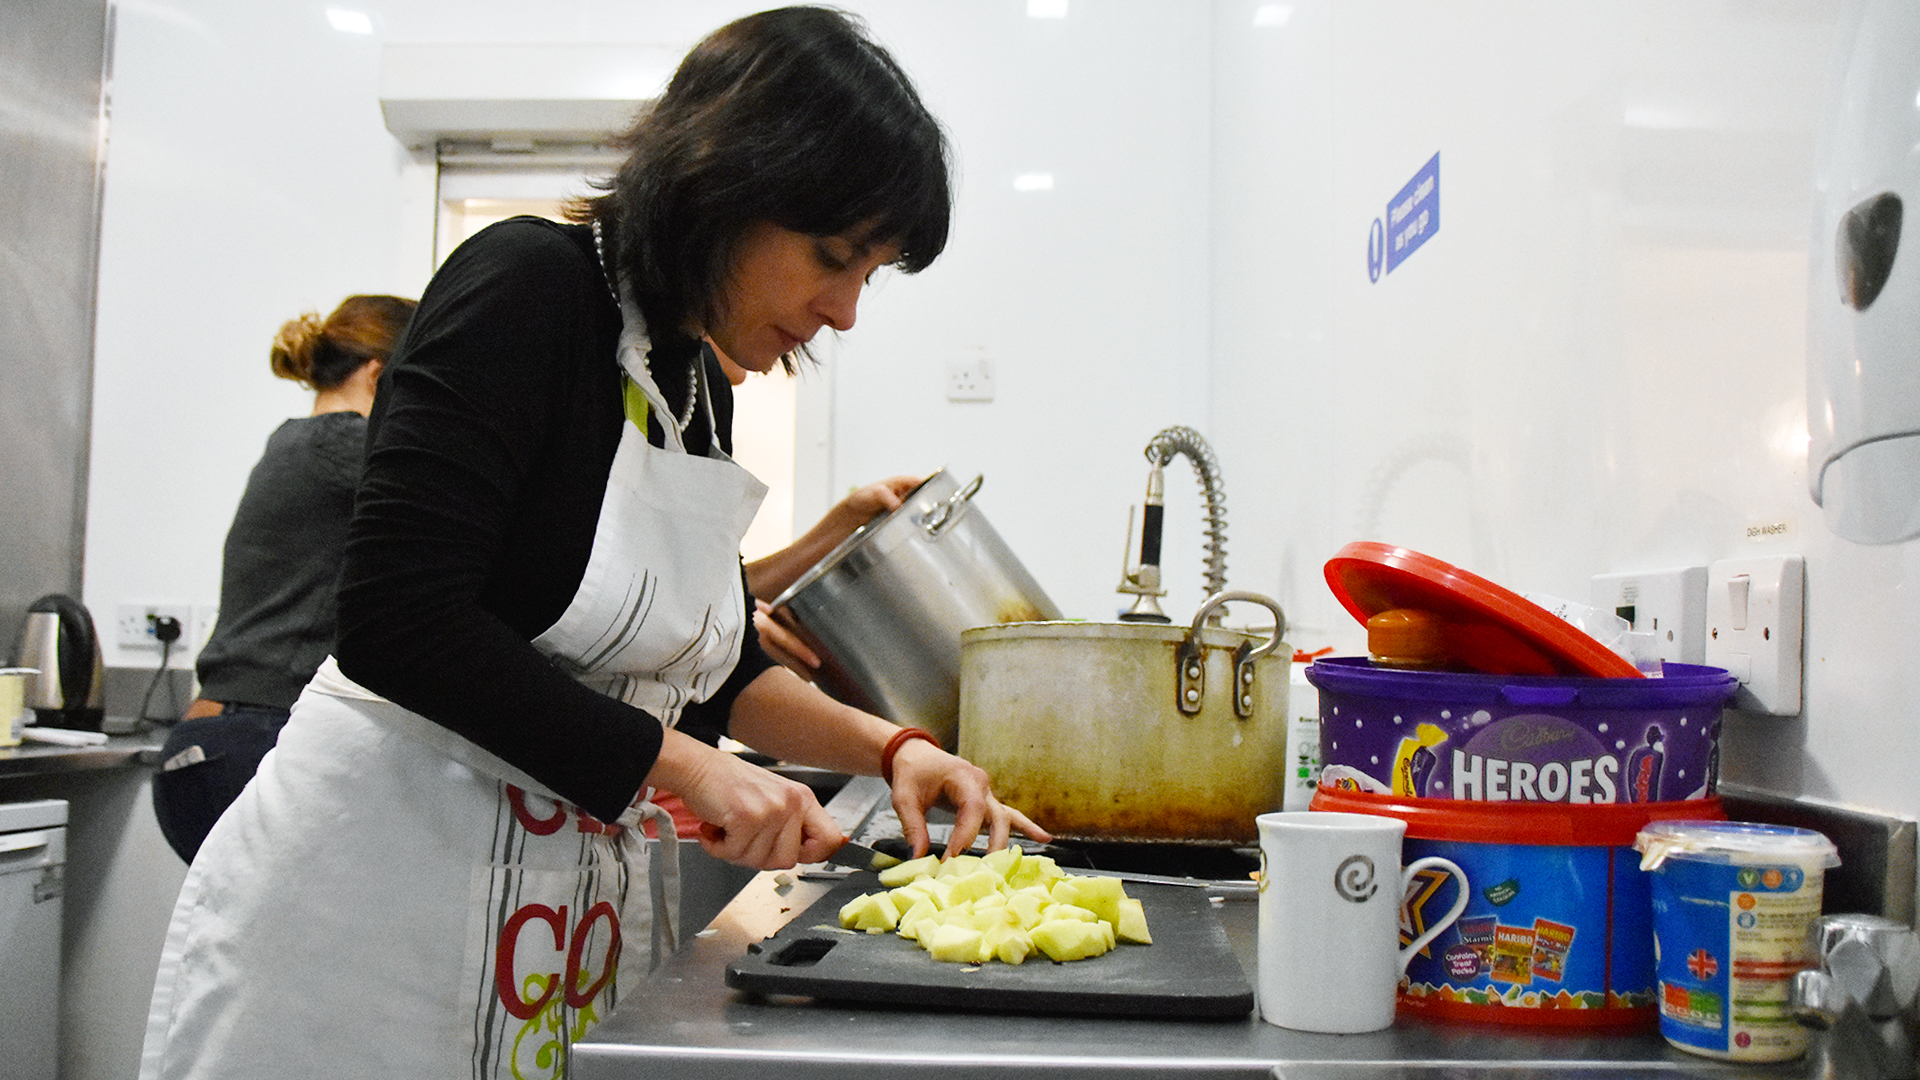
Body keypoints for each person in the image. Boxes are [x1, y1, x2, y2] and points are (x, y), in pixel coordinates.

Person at [139, 10, 1047, 1079]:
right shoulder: (525, 286)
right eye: (833, 257)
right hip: (372, 906)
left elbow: (711, 671)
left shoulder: (693, 383)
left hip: (536, 914)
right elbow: (397, 620)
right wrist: (688, 770)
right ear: (723, 184)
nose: (845, 310)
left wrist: (895, 750)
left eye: (871, 273)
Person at [149, 294, 415, 863]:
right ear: (378, 376)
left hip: (217, 741)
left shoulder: (296, 441)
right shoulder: (346, 444)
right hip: (250, 743)